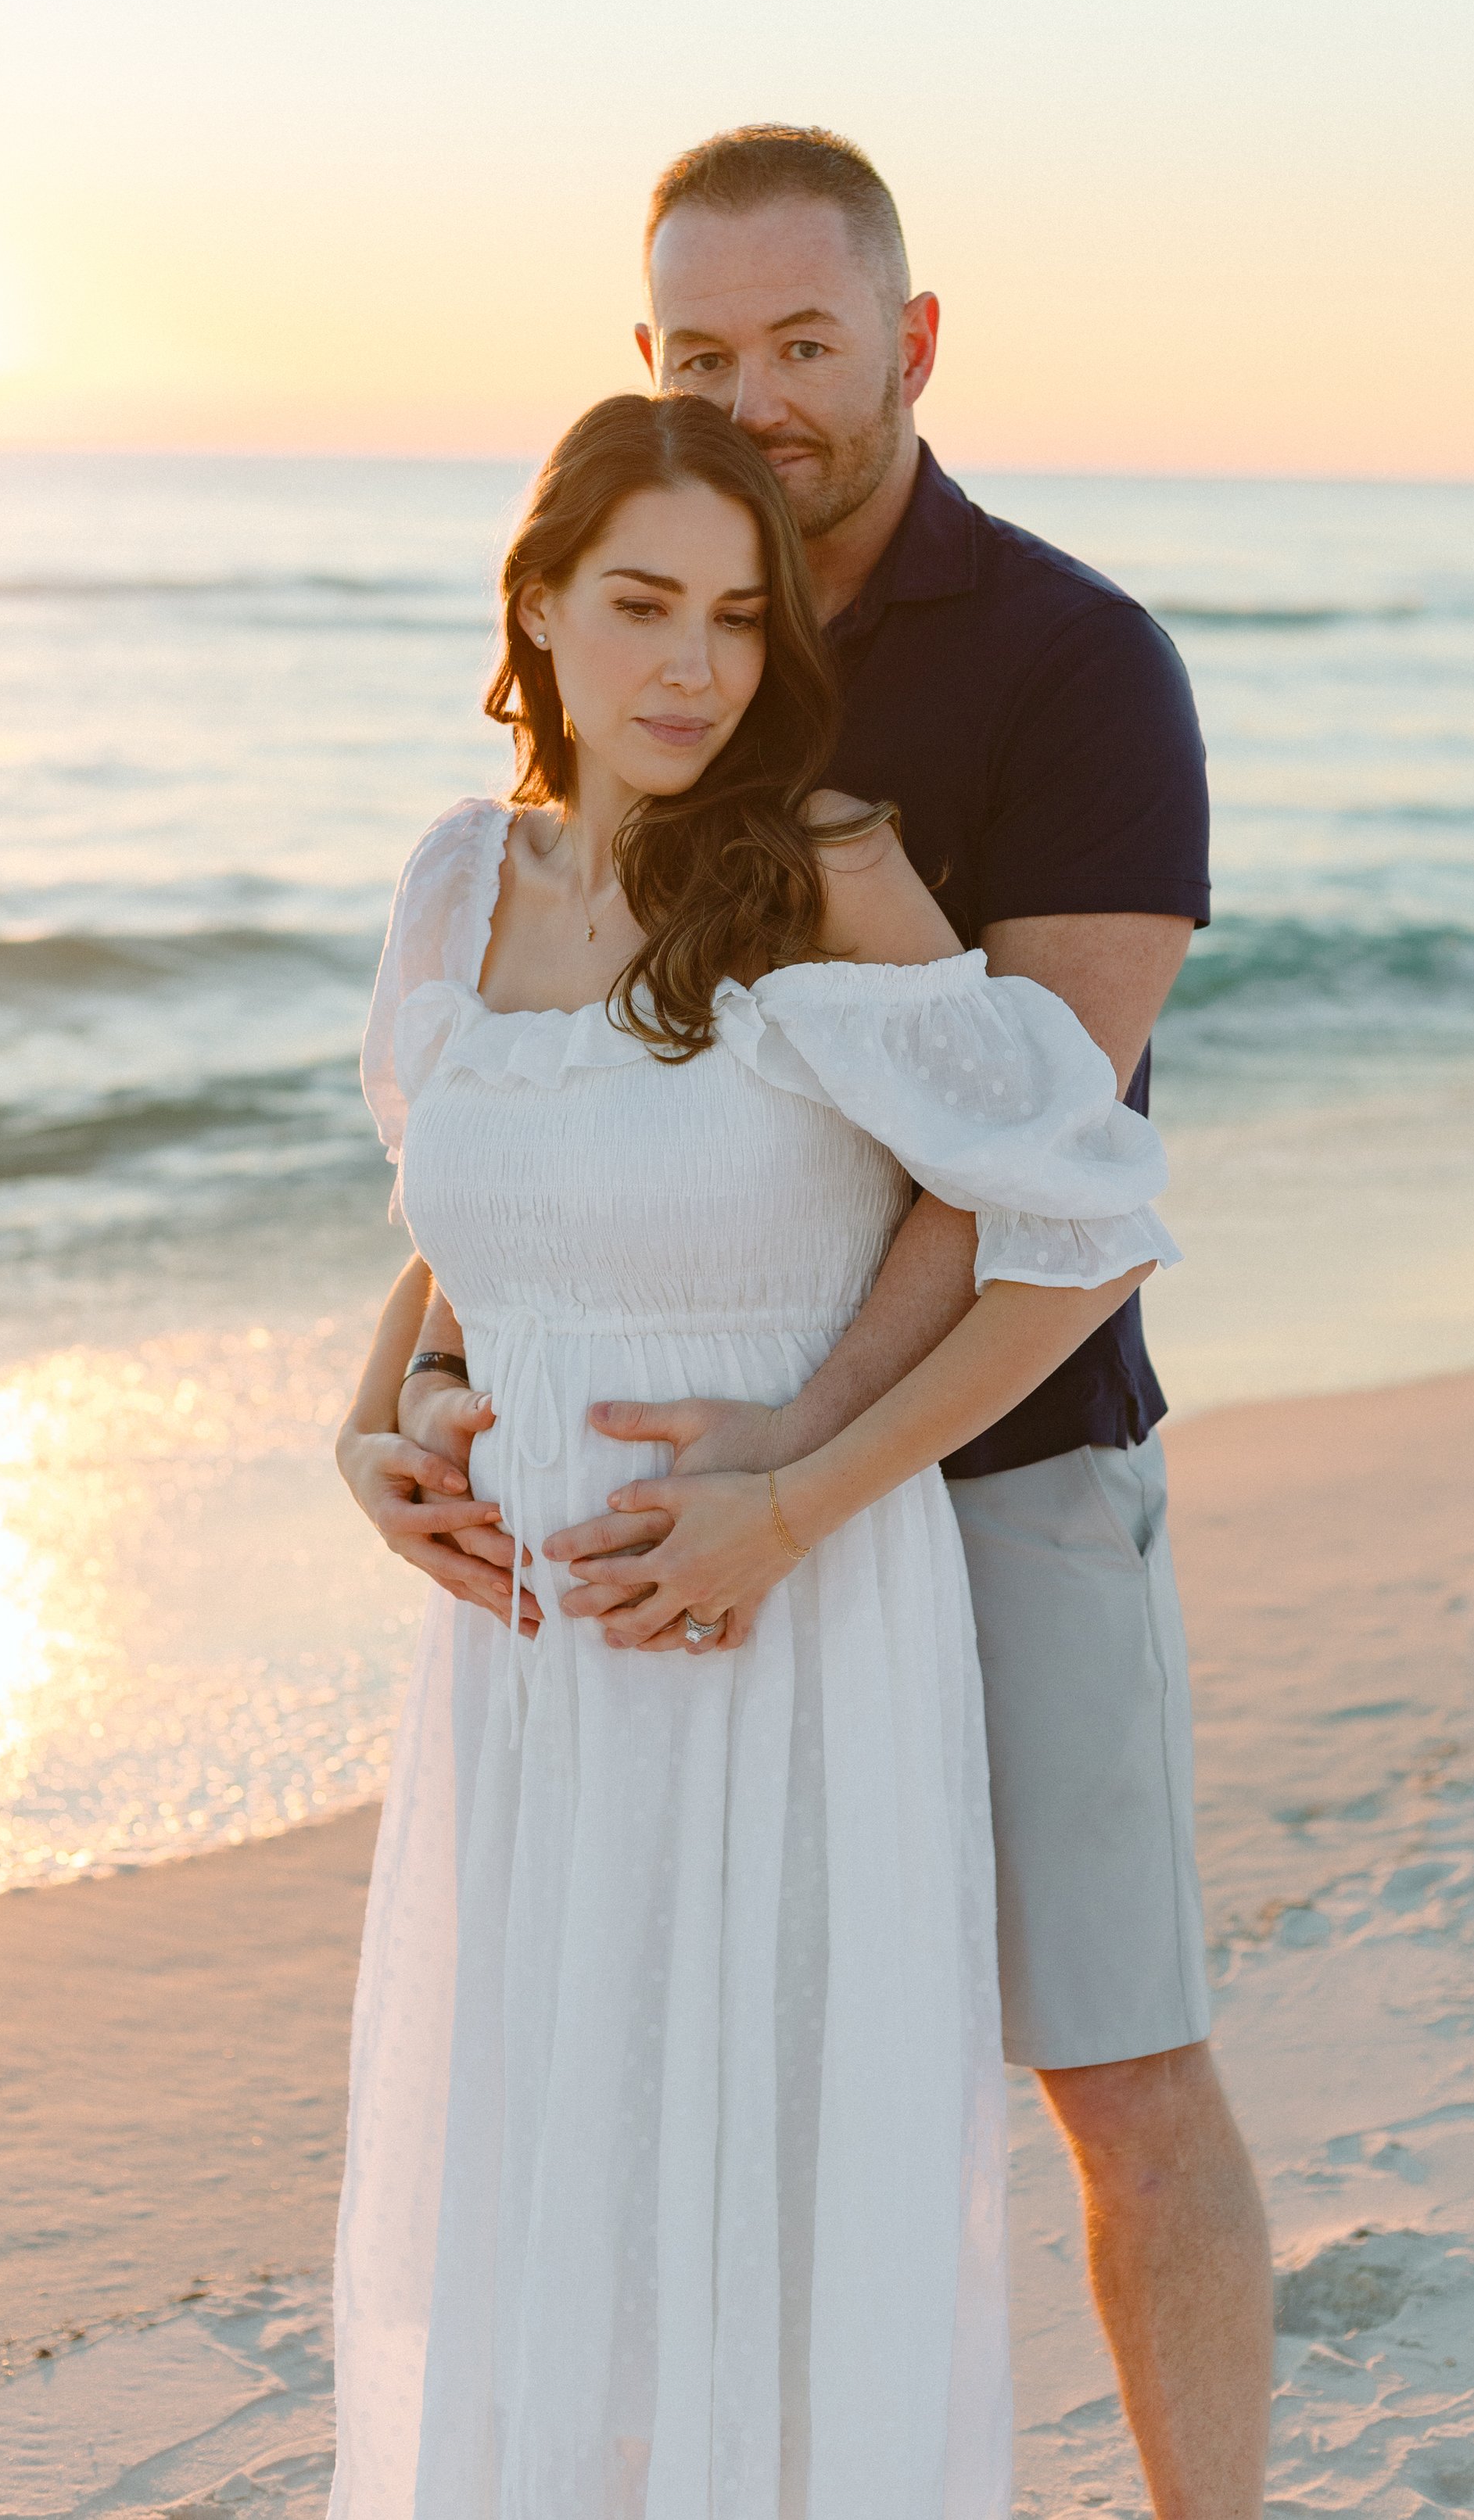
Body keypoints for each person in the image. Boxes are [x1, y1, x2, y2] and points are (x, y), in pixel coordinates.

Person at [344, 129, 1274, 2515]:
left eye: (799, 346)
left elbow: (1043, 1172)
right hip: (633, 1567)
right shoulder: (532, 829)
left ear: (908, 345)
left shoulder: (1066, 670)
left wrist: (779, 1475)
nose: (751, 393)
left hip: (990, 1474)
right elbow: (518, 1158)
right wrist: (408, 1400)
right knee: (629, 2128)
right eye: (695, 353)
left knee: (1111, 2069)